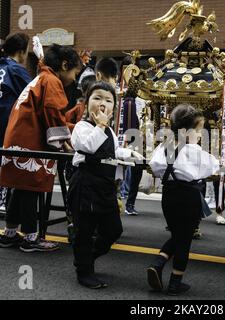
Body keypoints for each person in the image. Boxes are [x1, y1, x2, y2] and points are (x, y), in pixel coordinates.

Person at [0, 44, 82, 253]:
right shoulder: (51, 80)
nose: (74, 78)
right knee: (31, 189)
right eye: (74, 72)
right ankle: (31, 237)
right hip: (29, 140)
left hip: (18, 137)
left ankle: (9, 233)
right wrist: (64, 143)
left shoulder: (41, 78)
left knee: (21, 187)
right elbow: (52, 112)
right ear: (64, 65)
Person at [68, 81, 143, 289]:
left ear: (113, 108)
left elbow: (114, 151)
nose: (103, 104)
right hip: (86, 184)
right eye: (97, 98)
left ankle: (87, 257)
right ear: (86, 103)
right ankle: (84, 270)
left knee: (113, 229)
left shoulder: (109, 131)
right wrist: (100, 125)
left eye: (108, 100)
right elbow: (88, 147)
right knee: (85, 230)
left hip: (105, 186)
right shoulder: (82, 127)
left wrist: (129, 153)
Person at [148, 104, 220, 295]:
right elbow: (214, 167)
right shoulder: (195, 152)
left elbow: (154, 166)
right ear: (188, 132)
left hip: (168, 197)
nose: (200, 135)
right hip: (188, 198)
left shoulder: (164, 147)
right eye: (199, 131)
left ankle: (158, 263)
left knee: (177, 234)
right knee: (184, 239)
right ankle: (175, 283)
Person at [0, 32, 33, 218]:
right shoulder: (16, 70)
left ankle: (1, 203)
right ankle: (6, 205)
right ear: (21, 51)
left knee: (1, 166)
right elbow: (33, 93)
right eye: (26, 51)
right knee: (12, 167)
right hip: (11, 126)